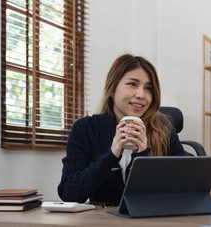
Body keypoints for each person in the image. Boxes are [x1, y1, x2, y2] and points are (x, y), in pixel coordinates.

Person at [57, 54, 187, 204]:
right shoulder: (85, 129)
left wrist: (143, 157)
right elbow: (68, 193)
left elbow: (182, 189)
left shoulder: (163, 129)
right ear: (112, 89)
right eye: (132, 84)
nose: (141, 95)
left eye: (148, 88)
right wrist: (111, 156)